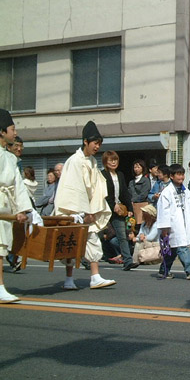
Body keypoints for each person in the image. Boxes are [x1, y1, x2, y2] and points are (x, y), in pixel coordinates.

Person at [54, 120, 116, 290]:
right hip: (72, 208)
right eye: (95, 143)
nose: (97, 147)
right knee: (70, 243)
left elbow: (96, 187)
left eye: (99, 143)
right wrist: (82, 211)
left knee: (92, 239)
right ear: (85, 141)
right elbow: (74, 188)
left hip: (87, 208)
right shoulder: (74, 161)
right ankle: (69, 279)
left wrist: (94, 209)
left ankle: (95, 276)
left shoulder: (93, 162)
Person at [0, 109, 33, 303]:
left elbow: (18, 185)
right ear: (1, 131)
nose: (15, 133)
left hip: (5, 205)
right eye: (12, 129)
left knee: (0, 246)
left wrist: (22, 209)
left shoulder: (9, 157)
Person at [156, 164, 190, 280]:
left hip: (184, 223)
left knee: (173, 249)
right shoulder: (167, 192)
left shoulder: (186, 192)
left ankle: (163, 270)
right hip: (173, 224)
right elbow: (163, 211)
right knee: (181, 246)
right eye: (178, 174)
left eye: (182, 174)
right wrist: (164, 228)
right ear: (171, 176)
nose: (181, 177)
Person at [101, 151, 136, 271]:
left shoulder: (120, 175)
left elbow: (125, 193)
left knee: (122, 235)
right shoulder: (102, 175)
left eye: (115, 160)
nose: (114, 162)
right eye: (111, 160)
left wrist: (130, 208)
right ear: (105, 162)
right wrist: (112, 205)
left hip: (119, 210)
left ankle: (127, 261)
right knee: (96, 234)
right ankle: (86, 259)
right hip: (103, 209)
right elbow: (103, 193)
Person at [128, 159, 151, 232]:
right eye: (135, 167)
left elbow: (144, 193)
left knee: (142, 224)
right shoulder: (131, 182)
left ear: (143, 168)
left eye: (138, 167)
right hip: (133, 206)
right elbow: (129, 193)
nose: (136, 169)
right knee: (132, 225)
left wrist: (134, 200)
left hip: (142, 205)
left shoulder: (145, 180)